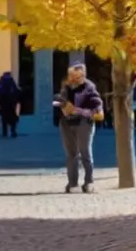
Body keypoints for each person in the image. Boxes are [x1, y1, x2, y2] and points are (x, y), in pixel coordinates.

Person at [53, 63, 104, 194]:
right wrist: (62, 103)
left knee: (85, 153)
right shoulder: (65, 87)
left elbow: (98, 112)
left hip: (84, 123)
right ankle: (73, 183)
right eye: (71, 75)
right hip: (66, 123)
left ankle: (89, 182)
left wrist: (79, 111)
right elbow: (58, 100)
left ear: (83, 75)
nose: (73, 79)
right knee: (71, 154)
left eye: (77, 76)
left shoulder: (89, 88)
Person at [0, 72, 22, 138]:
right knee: (12, 118)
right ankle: (13, 131)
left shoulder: (2, 81)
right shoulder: (11, 81)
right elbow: (16, 90)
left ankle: (5, 132)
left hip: (3, 102)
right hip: (11, 103)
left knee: (4, 118)